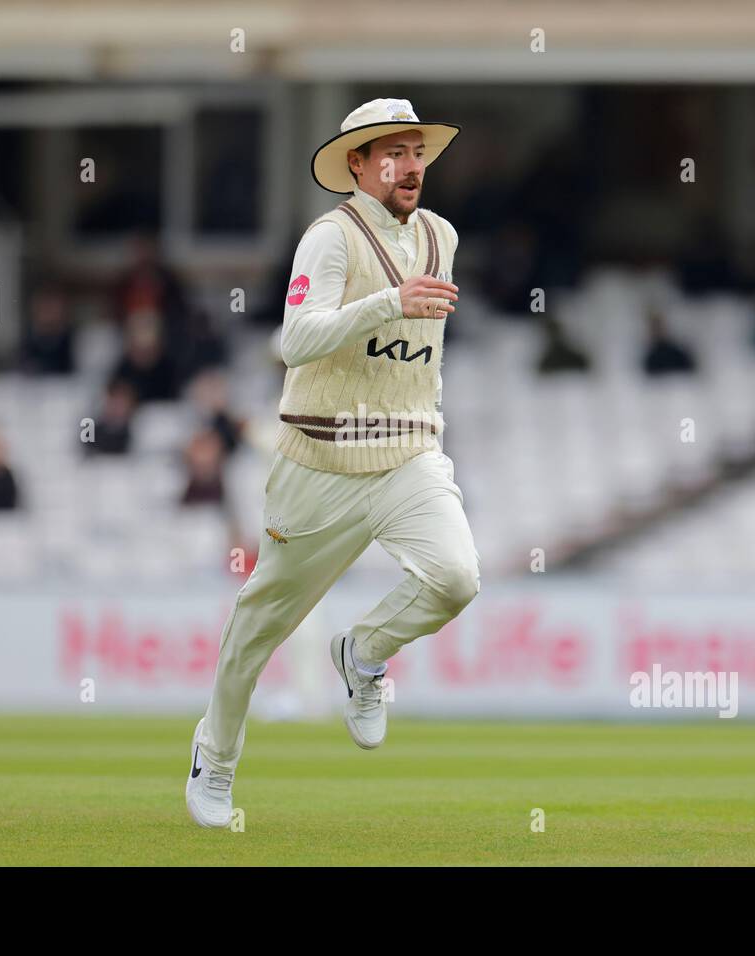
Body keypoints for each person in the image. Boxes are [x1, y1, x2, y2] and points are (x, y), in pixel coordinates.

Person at [186, 98, 480, 828]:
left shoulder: (442, 236)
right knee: (257, 628)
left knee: (456, 578)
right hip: (318, 461)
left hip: (409, 453)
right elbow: (296, 339)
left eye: (418, 153)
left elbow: (425, 357)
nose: (411, 166)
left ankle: (364, 653)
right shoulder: (329, 238)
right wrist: (387, 303)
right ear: (357, 163)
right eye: (394, 153)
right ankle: (214, 762)